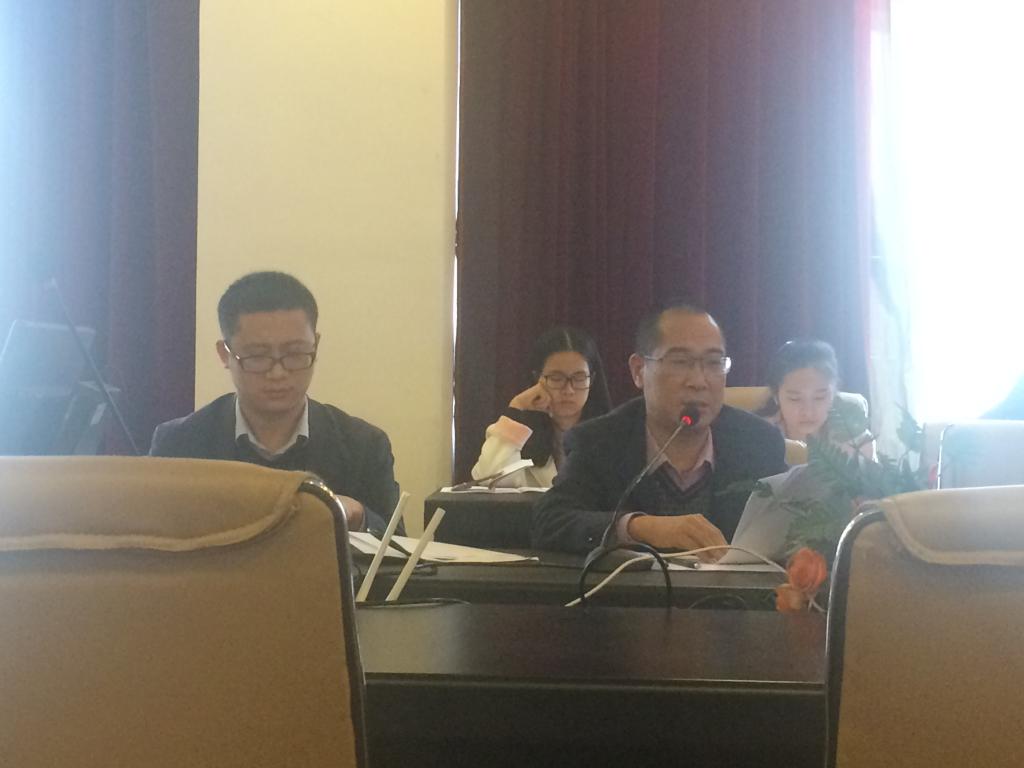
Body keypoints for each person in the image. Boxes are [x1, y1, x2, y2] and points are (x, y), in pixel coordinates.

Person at [150, 271, 398, 533]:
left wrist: (359, 516)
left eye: (295, 353)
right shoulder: (179, 444)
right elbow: (152, 543)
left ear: (315, 345)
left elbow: (400, 547)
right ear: (225, 354)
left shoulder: (363, 445)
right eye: (258, 356)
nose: (278, 373)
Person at [532, 302, 787, 557]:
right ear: (638, 371)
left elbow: (795, 526)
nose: (699, 381)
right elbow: (549, 522)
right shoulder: (600, 441)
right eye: (680, 362)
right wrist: (638, 527)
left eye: (713, 363)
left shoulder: (758, 443)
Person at [471, 326, 611, 488]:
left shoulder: (611, 436)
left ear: (592, 379)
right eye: (556, 378)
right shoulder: (517, 432)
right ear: (537, 378)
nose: (569, 390)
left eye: (579, 378)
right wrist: (517, 407)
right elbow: (490, 482)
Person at [758, 339, 874, 459]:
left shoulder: (855, 438)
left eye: (819, 398)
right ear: (776, 396)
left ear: (834, 394)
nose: (808, 412)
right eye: (795, 398)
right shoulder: (757, 437)